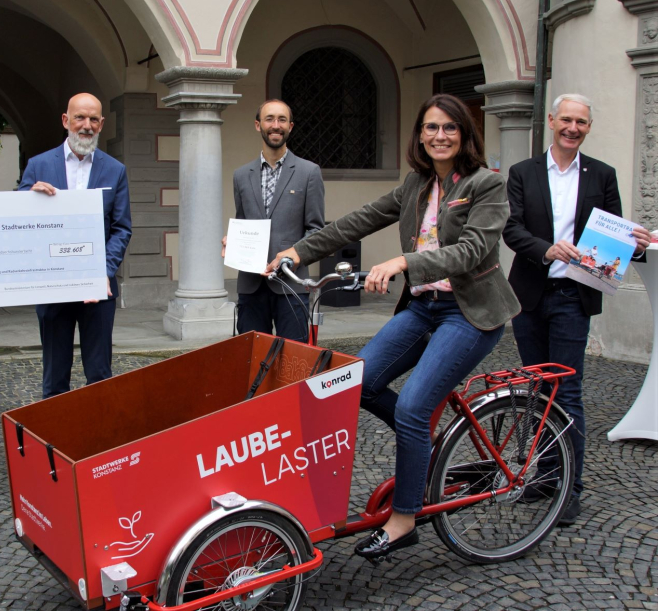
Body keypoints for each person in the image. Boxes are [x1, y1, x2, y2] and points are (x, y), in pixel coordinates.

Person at [267, 94, 519, 562]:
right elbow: (359, 220)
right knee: (356, 382)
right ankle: (420, 437)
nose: (439, 136)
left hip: (469, 313)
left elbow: (471, 252)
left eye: (449, 128)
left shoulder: (487, 185)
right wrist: (297, 251)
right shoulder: (416, 184)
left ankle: (404, 519)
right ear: (419, 135)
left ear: (464, 134)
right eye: (431, 128)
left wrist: (404, 260)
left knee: (413, 410)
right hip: (425, 307)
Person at [502, 93, 651, 526]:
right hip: (530, 295)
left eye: (581, 122)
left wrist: (633, 243)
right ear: (551, 121)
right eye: (566, 119)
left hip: (573, 297)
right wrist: (547, 250)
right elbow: (512, 229)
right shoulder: (522, 172)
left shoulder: (602, 174)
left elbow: (615, 233)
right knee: (537, 391)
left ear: (588, 127)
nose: (572, 127)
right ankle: (543, 478)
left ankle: (570, 488)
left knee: (566, 393)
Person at [19, 93, 132, 398]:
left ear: (102, 124)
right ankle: (55, 439)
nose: (87, 125)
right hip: (52, 285)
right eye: (80, 118)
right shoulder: (38, 166)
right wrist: (28, 198)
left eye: (94, 119)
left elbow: (121, 228)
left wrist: (102, 273)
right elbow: (17, 220)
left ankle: (98, 438)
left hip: (98, 289)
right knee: (55, 375)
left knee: (99, 372)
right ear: (66, 121)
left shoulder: (115, 170)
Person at [222, 99, 324, 341]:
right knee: (253, 360)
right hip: (251, 285)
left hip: (291, 284)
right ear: (258, 125)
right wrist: (232, 242)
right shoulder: (240, 176)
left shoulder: (309, 172)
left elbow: (316, 231)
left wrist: (290, 257)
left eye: (281, 120)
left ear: (291, 126)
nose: (275, 125)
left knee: (292, 361)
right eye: (269, 119)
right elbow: (243, 223)